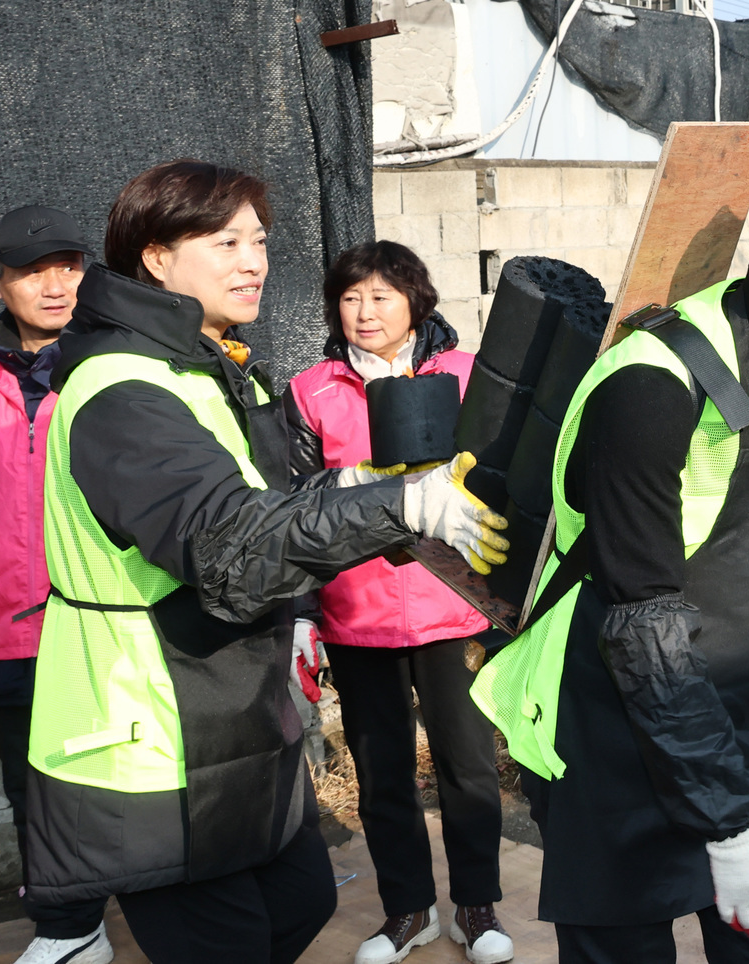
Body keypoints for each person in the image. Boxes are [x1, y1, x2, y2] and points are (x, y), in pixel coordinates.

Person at [23, 160, 507, 964]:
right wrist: (398, 507)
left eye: (260, 240)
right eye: (226, 241)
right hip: (151, 730)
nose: (255, 260)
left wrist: (349, 484)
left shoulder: (211, 370)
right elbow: (231, 546)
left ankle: (473, 905)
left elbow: (266, 496)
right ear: (155, 256)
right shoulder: (124, 390)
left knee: (303, 898)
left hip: (228, 712)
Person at [472, 139, 749, 963]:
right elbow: (642, 626)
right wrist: (731, 821)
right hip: (605, 718)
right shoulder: (652, 386)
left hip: (732, 707)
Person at [284, 240, 513, 964]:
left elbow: (509, 480)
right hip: (359, 614)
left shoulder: (464, 375)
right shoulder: (312, 391)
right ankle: (407, 910)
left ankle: (476, 908)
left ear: (417, 301)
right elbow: (289, 508)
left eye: (382, 296)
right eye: (351, 298)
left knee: (468, 766)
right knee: (382, 773)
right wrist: (300, 611)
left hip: (454, 608)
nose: (365, 312)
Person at [0, 206, 115, 964]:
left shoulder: (113, 364)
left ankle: (116, 913)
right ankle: (69, 927)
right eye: (34, 269)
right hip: (2, 618)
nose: (55, 283)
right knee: (27, 782)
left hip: (103, 618)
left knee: (111, 775)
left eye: (69, 265)